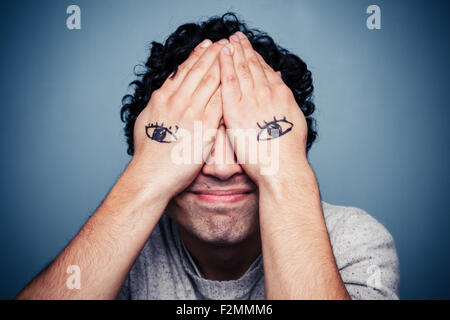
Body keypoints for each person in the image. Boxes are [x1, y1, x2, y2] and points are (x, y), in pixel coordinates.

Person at [15, 13, 399, 300]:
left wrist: (285, 174)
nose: (221, 168)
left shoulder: (352, 240)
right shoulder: (118, 250)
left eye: (245, 138)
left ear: (292, 145)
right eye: (196, 141)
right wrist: (144, 179)